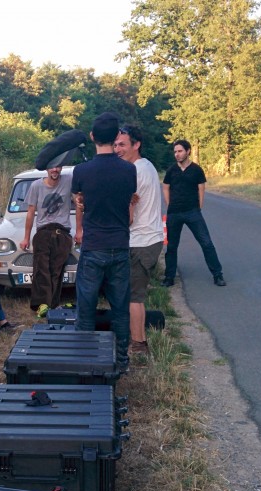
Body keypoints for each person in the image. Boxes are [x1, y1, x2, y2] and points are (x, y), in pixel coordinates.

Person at [71, 112, 137, 370]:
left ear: (92, 137)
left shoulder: (81, 170)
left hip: (93, 246)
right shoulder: (129, 170)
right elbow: (124, 200)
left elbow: (81, 200)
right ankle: (121, 361)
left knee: (85, 308)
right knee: (120, 308)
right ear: (116, 137)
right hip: (120, 246)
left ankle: (87, 362)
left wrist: (82, 202)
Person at [114, 125, 164, 358]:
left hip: (140, 241)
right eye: (115, 144)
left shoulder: (134, 172)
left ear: (136, 145)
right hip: (149, 239)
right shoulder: (147, 166)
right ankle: (137, 339)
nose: (117, 149)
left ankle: (138, 345)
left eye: (122, 144)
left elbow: (127, 217)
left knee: (134, 297)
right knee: (137, 295)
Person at [162, 139, 226, 287]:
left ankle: (218, 275)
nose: (177, 154)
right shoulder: (171, 170)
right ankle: (169, 277)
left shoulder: (196, 169)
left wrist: (199, 206)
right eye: (175, 151)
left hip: (192, 212)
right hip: (174, 213)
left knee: (206, 243)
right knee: (171, 246)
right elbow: (165, 187)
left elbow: (201, 188)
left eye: (180, 151)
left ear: (188, 151)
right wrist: (169, 204)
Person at [20, 164, 74, 317]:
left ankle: (53, 305)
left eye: (58, 167)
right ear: (47, 169)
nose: (55, 170)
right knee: (41, 269)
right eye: (52, 167)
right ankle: (42, 304)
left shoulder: (69, 180)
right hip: (43, 231)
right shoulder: (36, 186)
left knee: (57, 270)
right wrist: (26, 237)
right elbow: (31, 212)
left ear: (61, 168)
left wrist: (80, 230)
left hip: (62, 232)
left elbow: (79, 201)